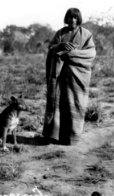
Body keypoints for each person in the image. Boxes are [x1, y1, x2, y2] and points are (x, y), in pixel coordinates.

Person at [42, 8, 96, 145]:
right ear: (66, 19)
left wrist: (71, 54)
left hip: (78, 77)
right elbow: (51, 49)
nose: (73, 20)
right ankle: (54, 136)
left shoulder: (86, 34)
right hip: (60, 77)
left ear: (79, 19)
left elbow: (91, 53)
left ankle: (71, 137)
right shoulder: (60, 33)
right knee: (59, 105)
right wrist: (60, 45)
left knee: (75, 104)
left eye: (75, 18)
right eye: (70, 17)